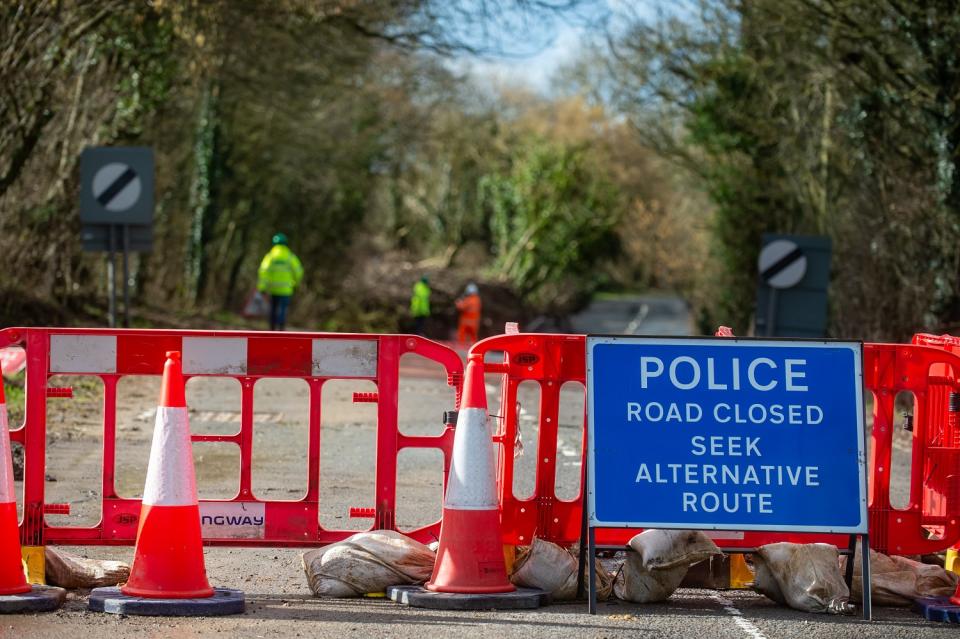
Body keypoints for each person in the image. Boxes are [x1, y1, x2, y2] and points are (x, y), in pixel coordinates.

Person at [257, 233, 303, 331]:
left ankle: (272, 330)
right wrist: (296, 283)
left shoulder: (270, 256)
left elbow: (263, 271)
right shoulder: (290, 257)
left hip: (273, 289)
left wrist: (262, 287)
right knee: (283, 310)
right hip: (286, 289)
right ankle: (281, 330)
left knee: (273, 310)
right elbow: (298, 271)